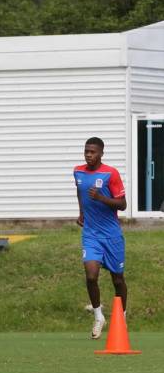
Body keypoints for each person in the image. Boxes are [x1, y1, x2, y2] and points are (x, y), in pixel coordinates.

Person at [73, 137, 127, 339]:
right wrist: (81, 213)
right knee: (91, 276)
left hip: (111, 235)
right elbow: (80, 192)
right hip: (91, 234)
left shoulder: (110, 173)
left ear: (101, 153)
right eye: (86, 151)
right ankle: (98, 316)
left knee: (118, 279)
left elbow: (123, 205)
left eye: (93, 152)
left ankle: (121, 317)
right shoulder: (77, 171)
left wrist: (101, 198)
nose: (89, 155)